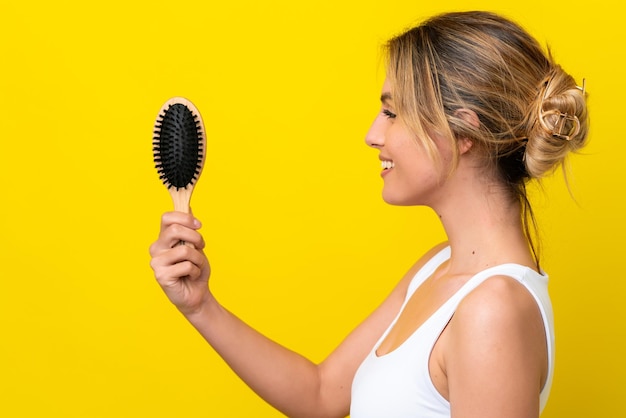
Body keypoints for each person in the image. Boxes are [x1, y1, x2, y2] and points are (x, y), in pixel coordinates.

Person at [149, 10, 588, 418]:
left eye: (392, 112)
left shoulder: (493, 311)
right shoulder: (437, 268)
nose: (372, 135)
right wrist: (200, 305)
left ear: (463, 131)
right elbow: (320, 394)